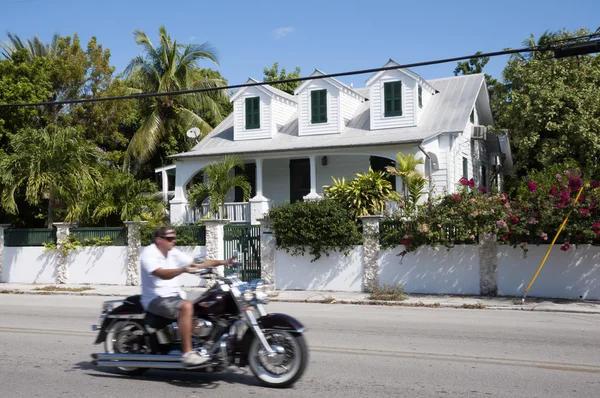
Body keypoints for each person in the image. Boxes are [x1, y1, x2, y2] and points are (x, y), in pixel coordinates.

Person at [140, 226, 234, 366]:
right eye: (169, 238)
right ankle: (187, 354)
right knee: (186, 306)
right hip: (156, 299)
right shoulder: (149, 253)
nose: (173, 241)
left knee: (203, 304)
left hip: (175, 295)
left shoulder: (172, 252)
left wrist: (224, 262)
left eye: (174, 238)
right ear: (159, 240)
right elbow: (161, 273)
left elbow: (197, 263)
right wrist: (183, 269)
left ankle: (204, 343)